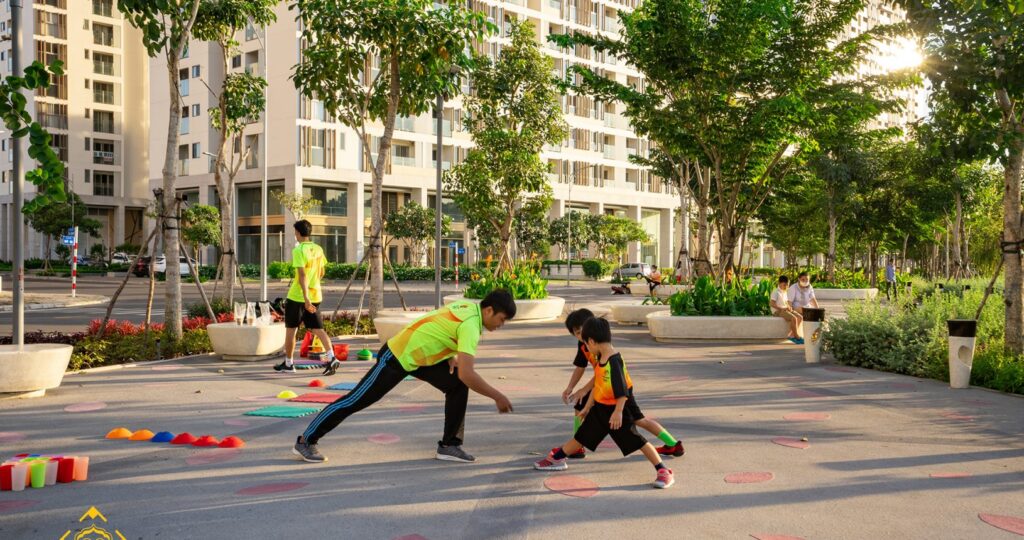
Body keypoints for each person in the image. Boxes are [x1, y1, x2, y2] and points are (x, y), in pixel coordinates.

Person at [292, 289, 517, 463]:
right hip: (397, 356)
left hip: (421, 359)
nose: (501, 325)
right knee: (356, 399)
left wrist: (449, 354)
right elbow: (469, 373)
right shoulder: (471, 325)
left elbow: (438, 324)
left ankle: (449, 445)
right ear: (489, 311)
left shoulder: (468, 307)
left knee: (456, 384)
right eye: (502, 319)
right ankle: (306, 440)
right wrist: (497, 396)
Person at [534, 318, 675, 489]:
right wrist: (587, 408)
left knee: (638, 441)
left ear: (592, 341)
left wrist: (618, 412)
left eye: (586, 344)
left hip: (615, 413)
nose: (586, 347)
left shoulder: (613, 361)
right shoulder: (601, 358)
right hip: (600, 410)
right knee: (582, 437)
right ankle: (557, 458)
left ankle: (663, 471)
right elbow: (598, 386)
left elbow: (622, 391)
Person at [560, 309, 685, 459]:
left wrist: (584, 389)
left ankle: (672, 444)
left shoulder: (601, 348)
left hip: (619, 390)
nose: (581, 336)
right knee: (580, 406)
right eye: (577, 333)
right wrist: (570, 388)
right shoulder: (584, 346)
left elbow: (603, 374)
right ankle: (576, 447)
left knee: (639, 420)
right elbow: (580, 367)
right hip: (603, 388)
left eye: (582, 332)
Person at [275, 220, 339, 374]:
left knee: (291, 330)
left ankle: (289, 364)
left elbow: (302, 274)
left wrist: (305, 297)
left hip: (298, 297)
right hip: (316, 294)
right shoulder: (318, 249)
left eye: (295, 232)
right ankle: (331, 357)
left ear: (298, 233)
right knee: (318, 329)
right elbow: (322, 272)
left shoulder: (298, 250)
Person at [771, 275, 804, 345]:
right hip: (777, 311)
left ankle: (792, 335)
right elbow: (772, 304)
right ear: (779, 283)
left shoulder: (784, 292)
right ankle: (796, 336)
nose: (786, 287)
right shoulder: (775, 292)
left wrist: (789, 307)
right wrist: (782, 308)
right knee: (793, 318)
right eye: (784, 285)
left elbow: (786, 303)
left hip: (784, 310)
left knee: (800, 317)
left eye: (787, 285)